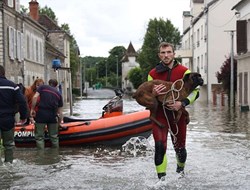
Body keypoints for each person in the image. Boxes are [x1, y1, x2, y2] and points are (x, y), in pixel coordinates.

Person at [148, 42, 200, 180]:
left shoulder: (185, 72)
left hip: (178, 115)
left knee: (180, 149)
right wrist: (152, 94)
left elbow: (196, 92)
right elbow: (146, 96)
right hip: (160, 115)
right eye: (163, 53)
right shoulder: (152, 74)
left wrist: (181, 103)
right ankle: (161, 181)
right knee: (160, 146)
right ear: (159, 55)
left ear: (173, 54)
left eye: (169, 52)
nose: (166, 55)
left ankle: (180, 172)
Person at [0, 65, 28, 163]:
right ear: (3, 73)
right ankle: (9, 163)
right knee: (8, 144)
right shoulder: (12, 86)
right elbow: (22, 101)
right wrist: (24, 116)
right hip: (7, 119)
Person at [30, 79, 63, 149]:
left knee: (39, 137)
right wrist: (60, 122)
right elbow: (60, 112)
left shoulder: (42, 87)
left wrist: (32, 109)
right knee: (54, 137)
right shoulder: (59, 94)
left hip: (42, 114)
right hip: (53, 115)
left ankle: (41, 156)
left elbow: (35, 97)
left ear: (49, 83)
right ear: (56, 85)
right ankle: (55, 155)